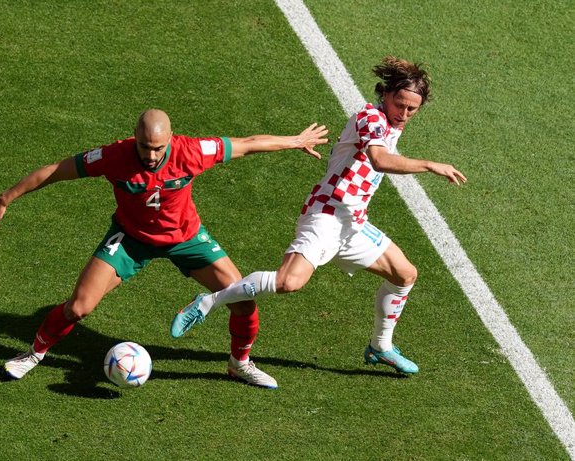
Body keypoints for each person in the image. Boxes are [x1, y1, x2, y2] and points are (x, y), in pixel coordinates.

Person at [0, 108, 328, 389]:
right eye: (145, 147)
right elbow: (56, 170)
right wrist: (5, 198)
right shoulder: (114, 156)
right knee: (79, 307)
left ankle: (239, 364)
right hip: (130, 240)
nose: (152, 155)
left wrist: (295, 141)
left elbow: (248, 142)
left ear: (171, 140)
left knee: (242, 300)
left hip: (187, 239)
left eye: (159, 148)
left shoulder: (193, 151)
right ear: (135, 140)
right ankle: (33, 354)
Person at [171, 57, 467, 375]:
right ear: (386, 95)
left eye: (412, 110)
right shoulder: (371, 116)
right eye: (400, 105)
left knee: (404, 275)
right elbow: (379, 161)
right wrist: (430, 165)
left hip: (353, 224)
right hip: (326, 215)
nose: (404, 115)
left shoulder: (391, 124)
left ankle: (381, 346)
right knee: (288, 282)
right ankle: (207, 302)